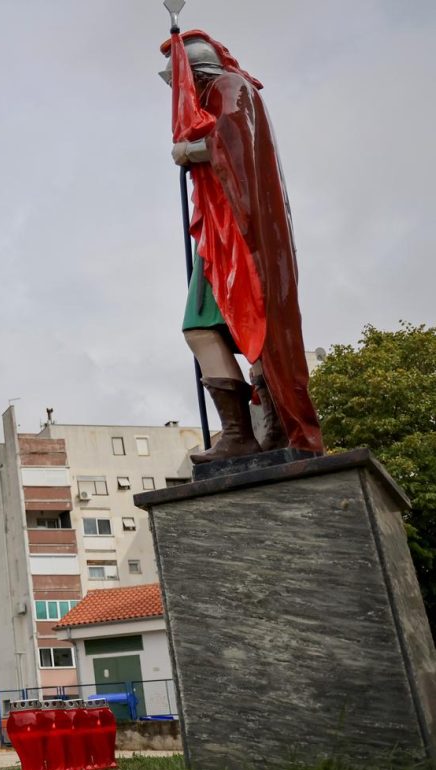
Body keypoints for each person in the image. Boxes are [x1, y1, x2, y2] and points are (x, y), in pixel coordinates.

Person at [161, 29, 323, 463]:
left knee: (204, 327)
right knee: (234, 328)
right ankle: (261, 428)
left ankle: (243, 433)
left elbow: (232, 143)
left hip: (235, 236)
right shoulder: (228, 91)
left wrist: (192, 149)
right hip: (227, 230)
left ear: (195, 73)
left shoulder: (231, 88)